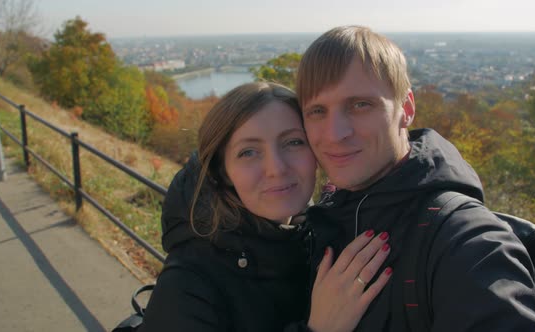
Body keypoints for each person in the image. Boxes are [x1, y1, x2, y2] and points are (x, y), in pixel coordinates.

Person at [296, 26, 535, 331]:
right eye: (317, 111)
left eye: (360, 105)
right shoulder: (323, 222)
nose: (335, 134)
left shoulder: (467, 243)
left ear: (406, 108)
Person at [139, 82, 393, 332]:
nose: (276, 169)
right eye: (248, 152)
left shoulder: (320, 239)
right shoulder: (187, 286)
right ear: (223, 172)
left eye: (293, 142)